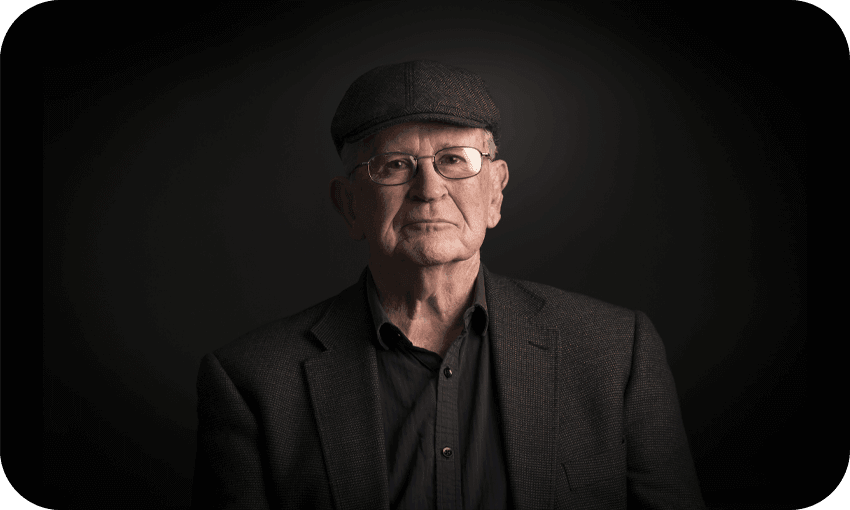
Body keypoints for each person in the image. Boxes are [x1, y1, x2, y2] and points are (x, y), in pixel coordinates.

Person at [191, 59, 705, 510]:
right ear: (349, 205)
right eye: (395, 165)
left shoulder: (616, 353)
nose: (429, 189)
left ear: (495, 191)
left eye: (454, 159)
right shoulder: (252, 383)